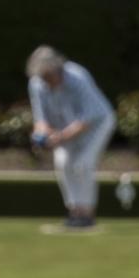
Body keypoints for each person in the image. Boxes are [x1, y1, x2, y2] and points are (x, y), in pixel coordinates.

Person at [24, 47, 116, 233]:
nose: (47, 82)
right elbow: (40, 118)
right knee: (63, 163)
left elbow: (87, 118)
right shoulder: (36, 83)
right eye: (43, 77)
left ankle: (87, 215)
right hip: (66, 127)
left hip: (98, 123)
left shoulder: (78, 77)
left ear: (58, 69)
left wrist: (60, 137)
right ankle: (75, 213)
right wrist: (40, 135)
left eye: (49, 76)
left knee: (83, 164)